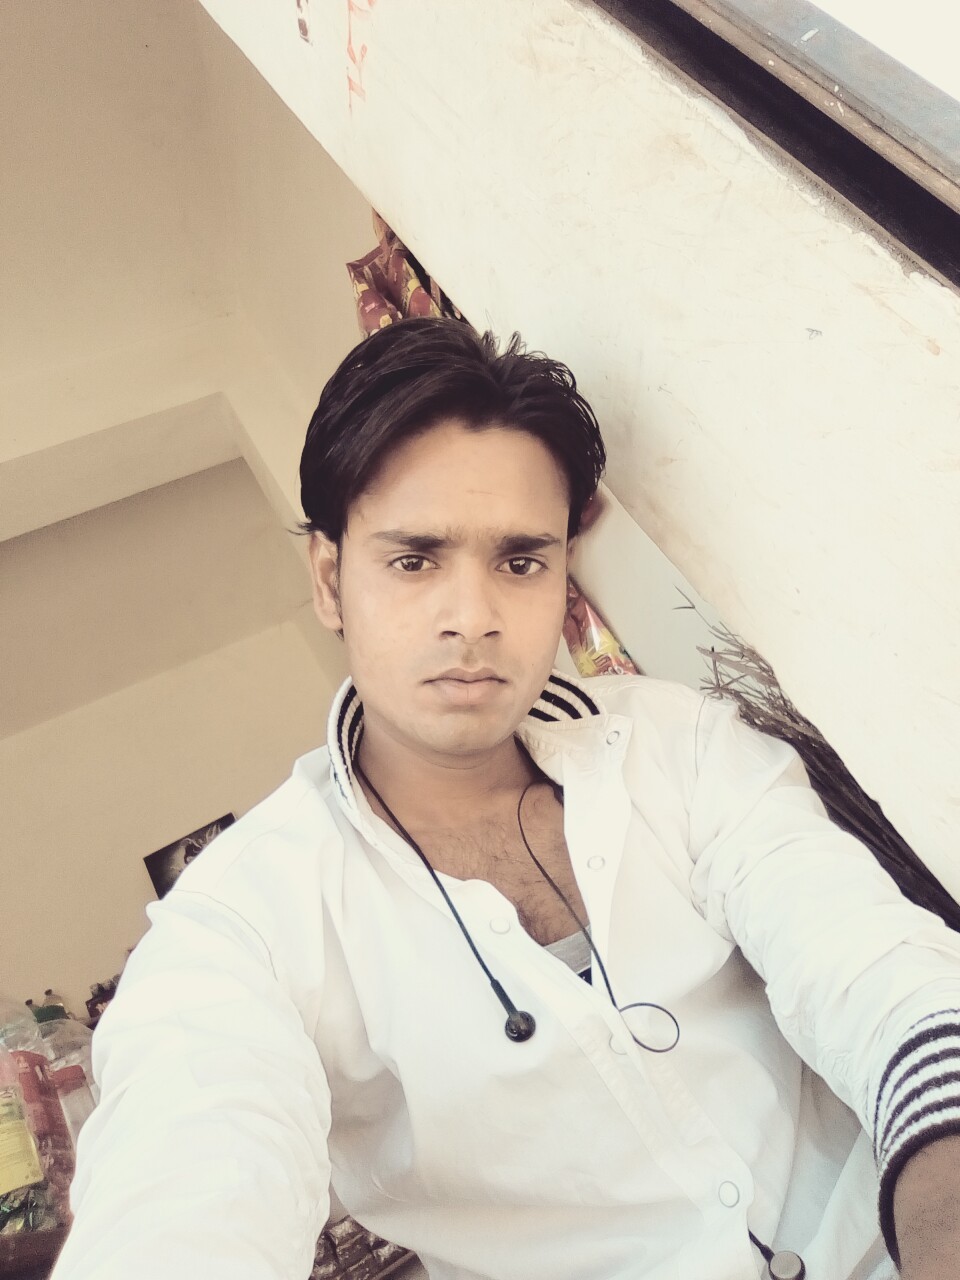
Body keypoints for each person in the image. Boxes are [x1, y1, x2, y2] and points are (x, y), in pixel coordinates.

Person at [54, 318, 960, 1280]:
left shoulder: (680, 744)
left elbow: (875, 970)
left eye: (521, 561)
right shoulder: (246, 922)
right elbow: (186, 1181)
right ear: (329, 580)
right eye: (414, 560)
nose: (473, 617)